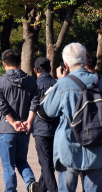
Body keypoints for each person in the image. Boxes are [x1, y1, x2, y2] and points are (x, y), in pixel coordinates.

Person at [42, 43, 102, 192]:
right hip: (97, 147)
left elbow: (47, 111)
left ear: (66, 64)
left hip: (68, 148)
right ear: (85, 59)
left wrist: (60, 80)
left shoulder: (63, 83)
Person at [0, 49, 39, 192]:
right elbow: (35, 102)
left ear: (3, 63)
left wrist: (13, 122)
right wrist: (29, 121)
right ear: (20, 62)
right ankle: (30, 182)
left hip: (7, 129)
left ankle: (11, 190)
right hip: (25, 128)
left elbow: (1, 105)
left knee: (8, 165)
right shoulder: (31, 81)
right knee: (21, 160)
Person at [32, 57, 58, 192]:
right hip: (56, 128)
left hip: (40, 129)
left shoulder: (33, 86)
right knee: (50, 164)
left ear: (35, 70)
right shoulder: (57, 84)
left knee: (46, 165)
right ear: (50, 69)